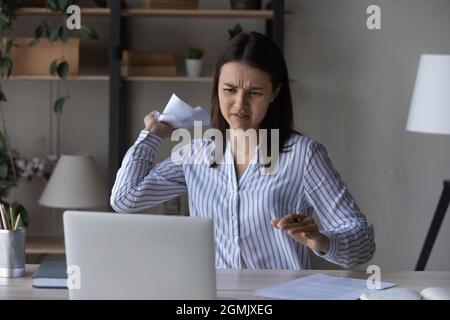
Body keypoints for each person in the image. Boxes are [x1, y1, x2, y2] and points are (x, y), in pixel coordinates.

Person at [111, 32, 375, 270]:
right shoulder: (195, 154)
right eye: (229, 90)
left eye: (255, 92)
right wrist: (153, 135)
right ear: (217, 87)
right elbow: (124, 199)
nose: (240, 104)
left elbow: (362, 242)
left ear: (275, 93)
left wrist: (320, 240)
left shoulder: (303, 155)